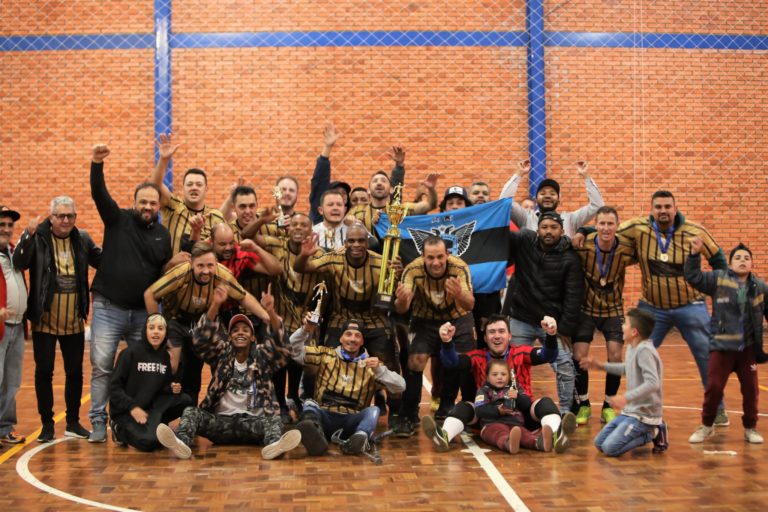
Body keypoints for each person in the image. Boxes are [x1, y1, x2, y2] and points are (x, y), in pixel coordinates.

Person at [575, 190, 729, 425]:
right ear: (652, 209)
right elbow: (607, 230)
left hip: (690, 306)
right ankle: (636, 408)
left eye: (667, 206)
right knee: (634, 357)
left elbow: (718, 260)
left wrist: (723, 294)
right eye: (658, 207)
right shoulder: (638, 228)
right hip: (652, 308)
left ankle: (717, 408)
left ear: (675, 209)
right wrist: (583, 231)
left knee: (706, 356)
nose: (663, 211)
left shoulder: (695, 231)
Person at [87, 144, 179, 442]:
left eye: (152, 202)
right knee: (102, 366)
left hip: (142, 313)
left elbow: (161, 272)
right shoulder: (118, 219)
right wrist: (97, 163)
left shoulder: (162, 235)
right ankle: (98, 420)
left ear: (158, 206)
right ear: (134, 202)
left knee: (144, 368)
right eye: (143, 202)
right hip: (108, 308)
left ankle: (130, 419)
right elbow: (99, 194)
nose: (147, 206)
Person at [155, 285, 302, 460]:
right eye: (235, 330)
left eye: (245, 330)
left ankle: (273, 446)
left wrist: (270, 312)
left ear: (253, 337)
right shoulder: (221, 353)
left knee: (275, 420)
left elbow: (282, 346)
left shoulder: (262, 356)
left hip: (253, 423)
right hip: (221, 423)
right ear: (230, 336)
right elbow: (201, 338)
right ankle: (181, 443)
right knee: (191, 412)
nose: (240, 333)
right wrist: (215, 305)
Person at [12, 196, 101, 442]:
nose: (65, 220)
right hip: (44, 320)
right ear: (51, 217)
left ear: (75, 217)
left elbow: (102, 261)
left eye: (70, 216)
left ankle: (72, 421)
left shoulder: (82, 239)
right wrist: (27, 235)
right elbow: (18, 262)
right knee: (44, 372)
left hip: (74, 320)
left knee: (75, 373)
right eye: (60, 216)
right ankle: (47, 424)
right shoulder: (38, 238)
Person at [294, 223, 402, 424]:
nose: (356, 245)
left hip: (374, 319)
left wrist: (397, 273)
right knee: (318, 362)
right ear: (345, 242)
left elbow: (395, 297)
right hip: (341, 319)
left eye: (361, 240)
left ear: (367, 243)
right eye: (351, 241)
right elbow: (300, 267)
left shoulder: (381, 263)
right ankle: (311, 406)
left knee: (389, 364)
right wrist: (304, 254)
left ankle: (396, 413)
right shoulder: (334, 259)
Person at [422, 314, 575, 453]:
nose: (496, 336)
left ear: (510, 336)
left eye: (501, 331)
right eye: (492, 332)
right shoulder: (477, 357)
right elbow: (452, 363)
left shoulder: (521, 353)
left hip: (522, 413)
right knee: (465, 406)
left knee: (545, 403)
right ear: (485, 337)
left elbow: (548, 355)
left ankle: (557, 435)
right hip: (488, 415)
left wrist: (551, 335)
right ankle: (444, 436)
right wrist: (447, 342)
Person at [144, 242, 270, 401]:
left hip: (204, 322)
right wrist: (157, 324)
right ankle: (161, 404)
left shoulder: (222, 275)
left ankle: (219, 403)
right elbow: (150, 294)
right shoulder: (180, 273)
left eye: (210, 265)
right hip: (177, 320)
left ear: (216, 263)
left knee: (221, 360)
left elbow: (243, 297)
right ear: (191, 263)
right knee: (173, 366)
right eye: (200, 265)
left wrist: (266, 316)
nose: (206, 271)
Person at [685, 240, 768, 444]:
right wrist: (694, 255)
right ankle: (707, 426)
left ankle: (750, 428)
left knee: (751, 391)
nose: (742, 261)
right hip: (721, 347)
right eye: (737, 258)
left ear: (752, 264)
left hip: (747, 349)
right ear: (730, 264)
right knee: (714, 387)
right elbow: (693, 277)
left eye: (746, 258)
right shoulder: (718, 279)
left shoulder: (760, 287)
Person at [504, 212, 585, 414]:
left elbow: (574, 297)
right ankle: (518, 408)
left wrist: (564, 329)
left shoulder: (570, 258)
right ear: (537, 229)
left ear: (562, 230)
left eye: (554, 227)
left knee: (565, 365)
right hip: (521, 318)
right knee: (514, 366)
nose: (549, 231)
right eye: (544, 227)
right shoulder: (525, 241)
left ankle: (566, 412)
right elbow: (501, 235)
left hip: (552, 323)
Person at [290, 317, 406, 456]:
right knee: (309, 404)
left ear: (362, 341)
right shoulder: (325, 355)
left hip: (352, 421)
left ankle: (359, 438)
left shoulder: (372, 366)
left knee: (373, 410)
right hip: (325, 415)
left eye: (357, 336)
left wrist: (380, 370)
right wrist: (305, 330)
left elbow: (401, 386)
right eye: (348, 334)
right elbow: (292, 349)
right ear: (340, 338)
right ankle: (317, 438)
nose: (352, 339)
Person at [394, 235, 475, 433]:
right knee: (416, 360)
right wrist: (402, 300)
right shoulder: (412, 269)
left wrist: (459, 294)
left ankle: (448, 405)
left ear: (447, 254)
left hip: (457, 317)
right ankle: (409, 412)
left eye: (440, 256)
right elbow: (401, 309)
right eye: (430, 257)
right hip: (424, 319)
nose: (436, 262)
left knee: (460, 360)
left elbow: (470, 304)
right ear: (423, 256)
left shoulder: (460, 267)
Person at [571, 206, 638, 425]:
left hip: (613, 309)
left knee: (616, 356)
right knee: (579, 356)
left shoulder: (626, 249)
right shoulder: (584, 245)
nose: (606, 228)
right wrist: (582, 230)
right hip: (586, 308)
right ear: (596, 225)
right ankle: (584, 404)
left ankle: (608, 405)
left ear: (617, 226)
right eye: (602, 223)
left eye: (610, 224)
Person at [581, 308, 668, 456]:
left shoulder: (644, 351)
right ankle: (645, 431)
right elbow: (627, 368)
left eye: (625, 323)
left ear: (634, 332)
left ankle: (653, 432)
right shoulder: (632, 348)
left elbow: (653, 383)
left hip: (644, 416)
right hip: (630, 412)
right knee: (599, 443)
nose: (622, 327)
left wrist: (625, 397)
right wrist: (601, 366)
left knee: (610, 448)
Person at [109, 314, 192, 451]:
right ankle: (118, 429)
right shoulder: (130, 353)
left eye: (160, 328)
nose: (156, 332)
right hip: (128, 411)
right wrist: (132, 407)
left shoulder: (164, 356)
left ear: (165, 333)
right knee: (149, 443)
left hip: (149, 408)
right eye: (151, 328)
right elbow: (114, 388)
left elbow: (161, 386)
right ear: (145, 330)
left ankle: (156, 426)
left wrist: (171, 387)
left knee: (185, 401)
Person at [151, 133, 226, 254]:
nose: (194, 188)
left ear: (206, 189)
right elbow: (155, 186)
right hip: (173, 265)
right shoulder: (172, 206)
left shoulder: (216, 216)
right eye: (189, 184)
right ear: (183, 188)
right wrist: (164, 160)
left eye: (199, 184)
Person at [500, 160, 603, 236]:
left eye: (552, 193)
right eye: (543, 193)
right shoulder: (526, 218)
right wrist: (518, 174)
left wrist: (586, 177)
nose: (547, 196)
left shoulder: (570, 220)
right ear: (536, 200)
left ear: (559, 200)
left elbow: (597, 206)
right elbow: (504, 202)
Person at [0, 205, 28, 446]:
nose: (7, 229)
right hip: (0, 328)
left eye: (10, 225)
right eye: (2, 224)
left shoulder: (13, 252)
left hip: (17, 327)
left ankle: (5, 429)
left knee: (12, 382)